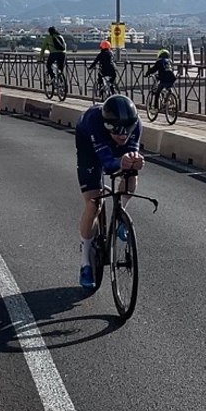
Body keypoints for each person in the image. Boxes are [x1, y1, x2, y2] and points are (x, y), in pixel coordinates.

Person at [74, 94, 144, 287]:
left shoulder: (136, 124)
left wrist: (134, 161)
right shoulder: (94, 121)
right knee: (93, 203)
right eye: (117, 131)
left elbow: (129, 157)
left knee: (131, 174)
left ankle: (120, 216)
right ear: (108, 126)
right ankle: (85, 262)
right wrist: (120, 162)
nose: (122, 136)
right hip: (89, 146)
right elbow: (107, 162)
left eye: (126, 132)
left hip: (108, 142)